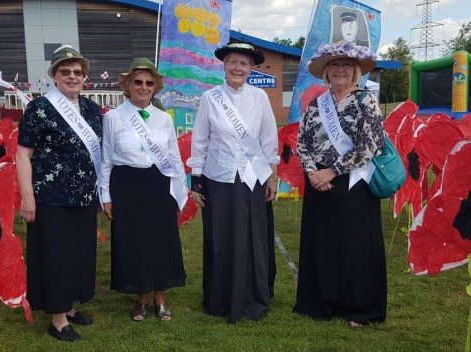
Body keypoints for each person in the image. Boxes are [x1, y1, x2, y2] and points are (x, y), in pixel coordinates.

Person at [294, 39, 386, 326]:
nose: (340, 70)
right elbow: (302, 142)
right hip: (318, 184)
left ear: (355, 70)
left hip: (352, 183)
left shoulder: (365, 100)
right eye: (335, 65)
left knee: (354, 247)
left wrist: (331, 172)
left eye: (346, 65)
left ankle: (360, 309)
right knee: (323, 245)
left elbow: (370, 145)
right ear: (326, 70)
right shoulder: (316, 103)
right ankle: (320, 302)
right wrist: (312, 172)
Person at [187, 42, 279, 322]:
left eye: (244, 63)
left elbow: (268, 138)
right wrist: (196, 180)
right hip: (219, 177)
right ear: (224, 65)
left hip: (252, 178)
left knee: (253, 239)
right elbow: (200, 139)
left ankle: (252, 298)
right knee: (221, 238)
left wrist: (272, 176)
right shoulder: (210, 98)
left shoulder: (260, 98)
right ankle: (220, 298)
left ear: (251, 68)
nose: (238, 68)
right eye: (233, 62)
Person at [16, 45, 102, 342]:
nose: (72, 76)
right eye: (65, 71)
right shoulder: (39, 108)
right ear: (53, 75)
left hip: (84, 197)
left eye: (78, 72)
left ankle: (70, 306)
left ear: (85, 76)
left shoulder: (91, 109)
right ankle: (57, 319)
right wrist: (27, 196)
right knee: (57, 256)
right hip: (51, 197)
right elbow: (23, 155)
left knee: (79, 254)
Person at [99, 58, 187, 322]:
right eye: (138, 82)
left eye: (149, 83)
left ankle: (160, 297)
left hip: (159, 184)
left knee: (161, 240)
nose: (143, 87)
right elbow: (105, 160)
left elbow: (174, 157)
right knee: (134, 241)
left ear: (155, 87)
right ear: (127, 85)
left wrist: (179, 192)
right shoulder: (113, 118)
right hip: (127, 185)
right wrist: (106, 196)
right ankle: (141, 298)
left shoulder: (164, 119)